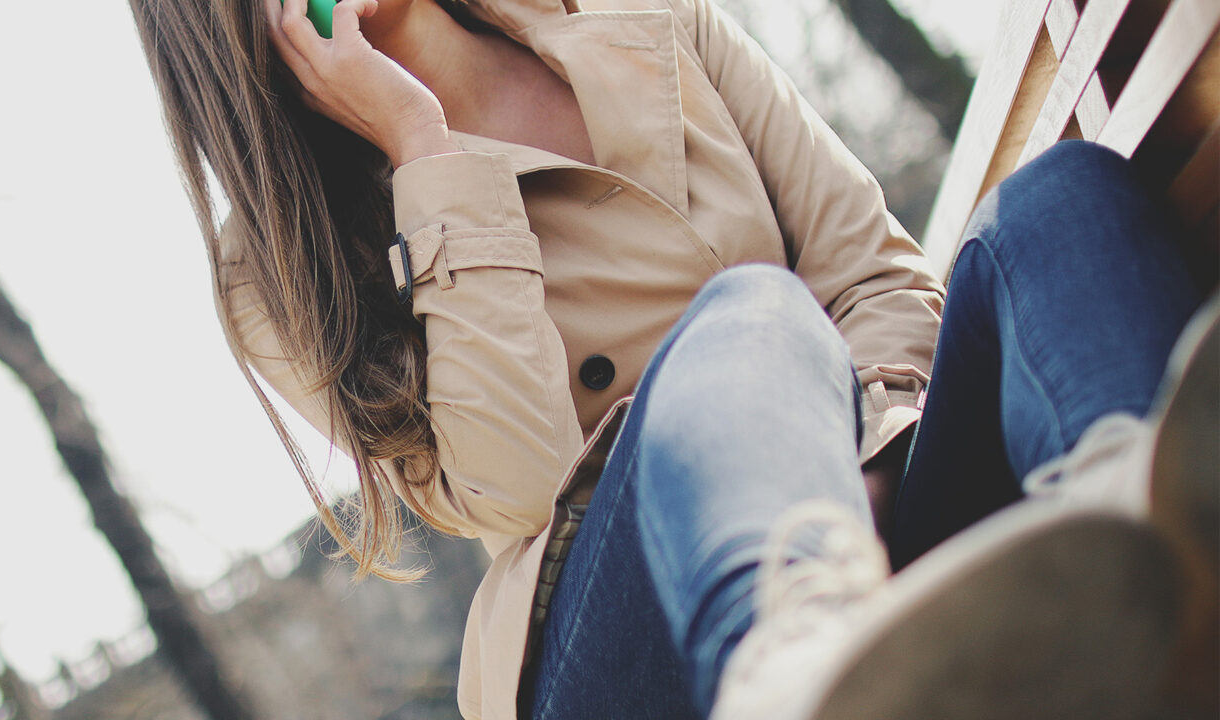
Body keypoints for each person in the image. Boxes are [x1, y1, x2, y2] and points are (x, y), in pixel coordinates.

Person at [126, 0, 1215, 716]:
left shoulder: (632, 15)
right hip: (635, 643)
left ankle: (1146, 534)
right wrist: (424, 152)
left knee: (1052, 207)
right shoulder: (276, 267)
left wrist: (857, 469)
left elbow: (875, 278)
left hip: (874, 517)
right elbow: (512, 488)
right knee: (749, 315)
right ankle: (794, 659)